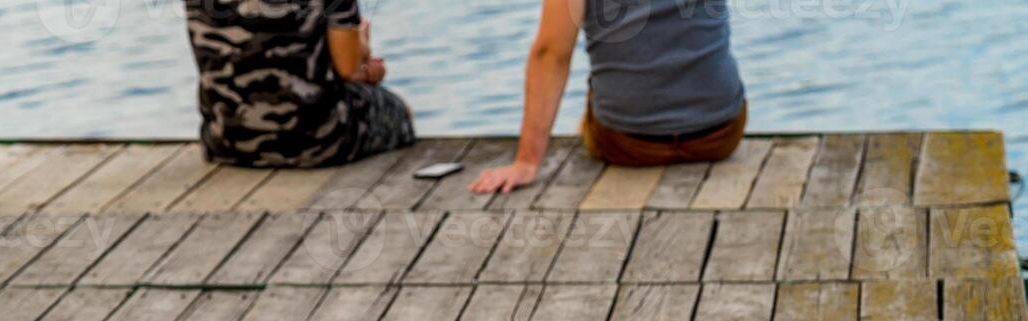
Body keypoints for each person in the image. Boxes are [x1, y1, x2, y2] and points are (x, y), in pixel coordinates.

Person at [471, 0, 746, 193]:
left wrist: (526, 162)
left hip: (626, 142)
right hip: (718, 133)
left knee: (602, 94)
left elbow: (551, 53)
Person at [185, 0, 415, 168]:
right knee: (399, 111)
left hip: (225, 142)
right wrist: (363, 49)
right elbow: (349, 70)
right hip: (321, 143)